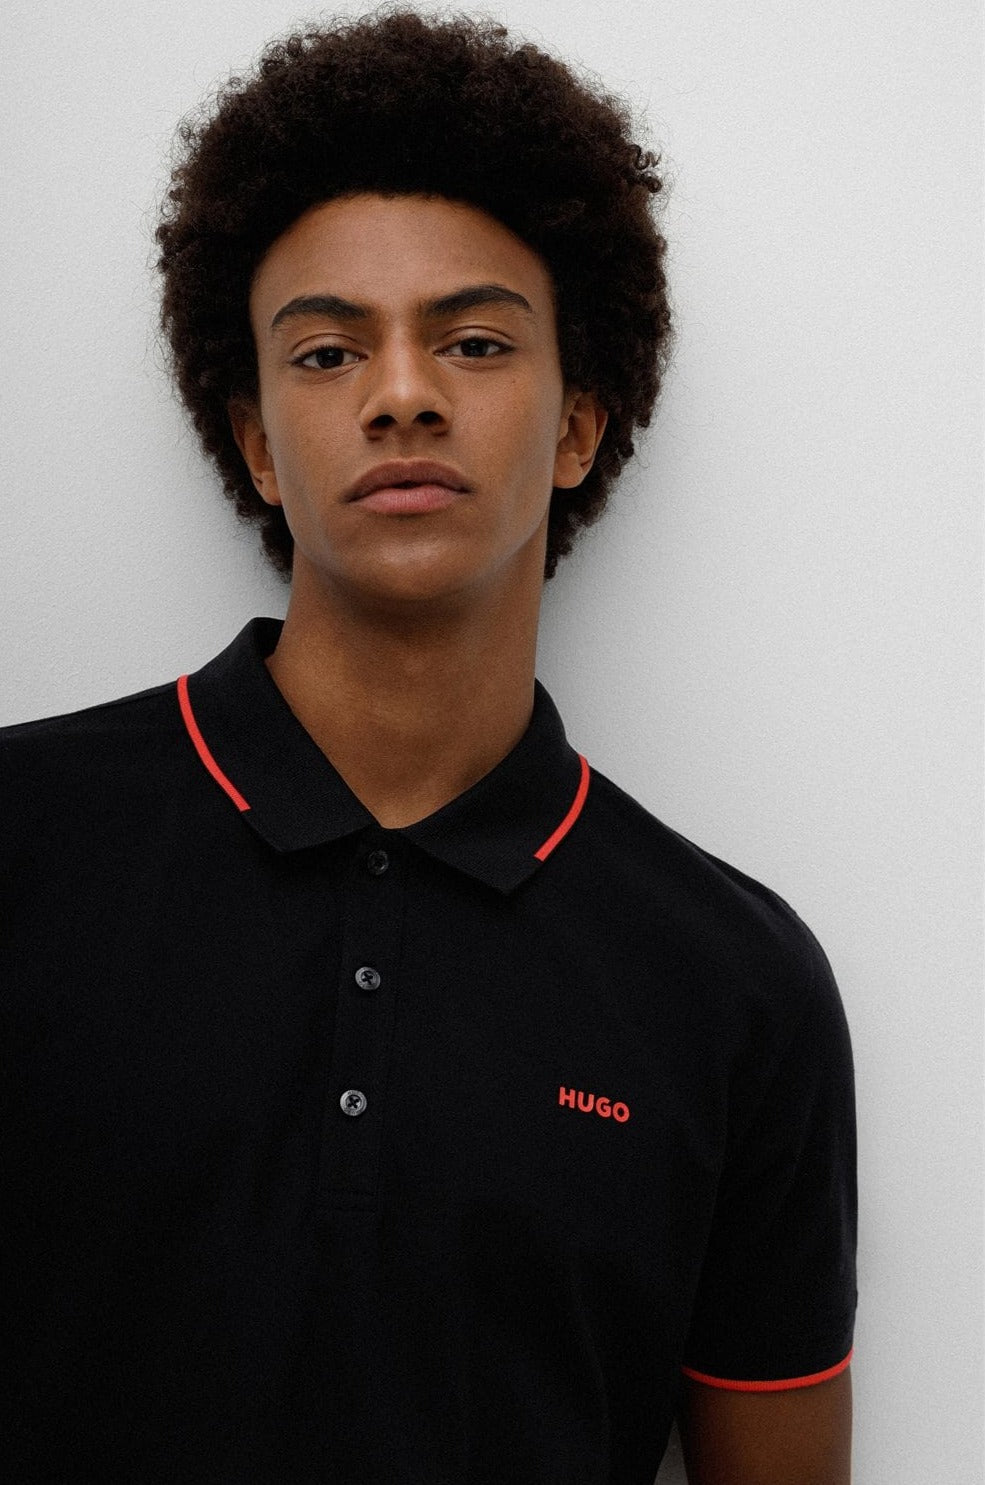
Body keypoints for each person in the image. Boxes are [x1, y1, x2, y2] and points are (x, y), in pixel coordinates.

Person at [0, 11, 857, 1482]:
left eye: (473, 341)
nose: (402, 393)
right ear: (258, 445)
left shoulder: (736, 987)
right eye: (329, 350)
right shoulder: (22, 844)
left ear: (578, 426)